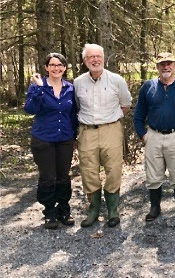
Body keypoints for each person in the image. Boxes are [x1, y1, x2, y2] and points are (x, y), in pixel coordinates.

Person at [133, 52, 175, 222]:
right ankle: (155, 207)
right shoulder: (148, 86)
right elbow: (138, 114)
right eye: (162, 64)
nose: (166, 67)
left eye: (169, 64)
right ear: (157, 67)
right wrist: (143, 135)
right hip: (153, 135)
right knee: (154, 174)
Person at [74, 44, 132, 228]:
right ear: (85, 61)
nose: (95, 60)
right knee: (88, 171)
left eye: (98, 56)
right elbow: (75, 106)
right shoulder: (78, 83)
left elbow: (126, 104)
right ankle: (93, 210)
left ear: (104, 58)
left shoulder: (116, 80)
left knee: (113, 169)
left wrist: (111, 119)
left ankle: (113, 210)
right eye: (91, 57)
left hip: (111, 130)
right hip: (87, 131)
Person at [24, 53, 78, 229]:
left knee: (63, 176)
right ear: (46, 68)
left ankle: (64, 210)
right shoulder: (37, 86)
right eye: (52, 65)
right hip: (43, 139)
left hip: (64, 139)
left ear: (64, 67)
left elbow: (73, 113)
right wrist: (39, 88)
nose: (56, 68)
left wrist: (75, 134)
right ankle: (49, 212)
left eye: (60, 65)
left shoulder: (70, 88)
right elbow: (30, 109)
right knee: (48, 177)